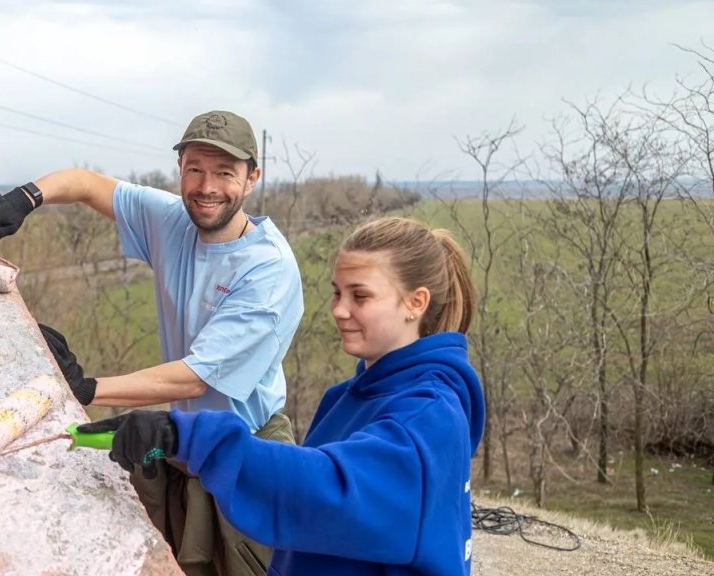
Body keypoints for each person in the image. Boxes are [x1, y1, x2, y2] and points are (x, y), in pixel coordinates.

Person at [0, 110, 304, 575]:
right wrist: (28, 197)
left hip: (244, 455)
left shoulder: (266, 271)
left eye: (225, 173)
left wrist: (86, 388)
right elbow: (87, 183)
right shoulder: (174, 221)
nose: (207, 186)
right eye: (195, 169)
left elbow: (196, 378)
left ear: (252, 178)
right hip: (180, 444)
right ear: (180, 169)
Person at [80, 216, 487, 576]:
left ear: (416, 303)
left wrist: (189, 436)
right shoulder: (350, 396)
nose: (339, 310)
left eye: (360, 296)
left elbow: (327, 490)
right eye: (337, 292)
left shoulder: (428, 417)